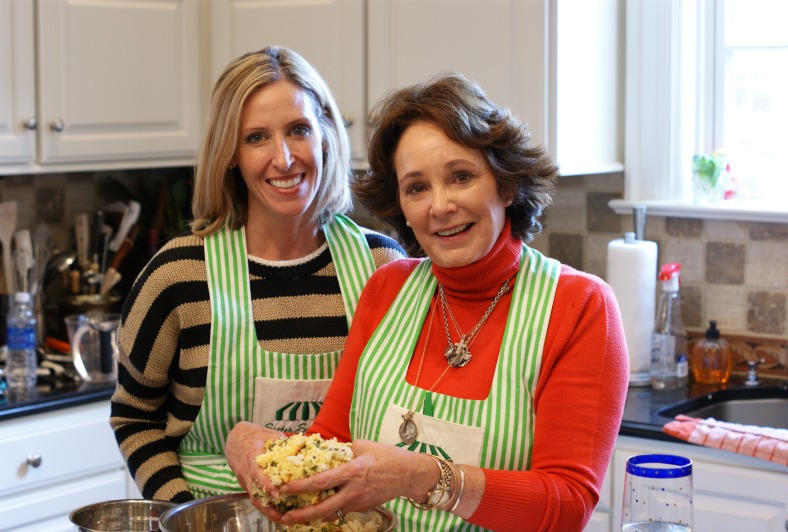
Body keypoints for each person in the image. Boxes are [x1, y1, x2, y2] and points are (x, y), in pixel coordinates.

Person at [225, 72, 629, 531]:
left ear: (507, 184)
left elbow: (567, 507)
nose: (439, 206)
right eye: (416, 187)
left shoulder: (580, 306)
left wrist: (424, 477)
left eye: (461, 177)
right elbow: (331, 445)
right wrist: (254, 443)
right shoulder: (387, 289)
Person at [109, 46, 406, 503]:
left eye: (299, 130)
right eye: (256, 138)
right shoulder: (178, 277)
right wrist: (185, 514)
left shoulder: (382, 267)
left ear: (325, 134)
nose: (284, 159)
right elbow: (135, 417)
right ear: (230, 153)